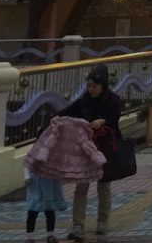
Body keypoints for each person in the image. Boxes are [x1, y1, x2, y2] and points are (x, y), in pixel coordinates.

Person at [60, 65, 122, 242]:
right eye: (89, 86)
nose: (91, 89)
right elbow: (68, 113)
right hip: (86, 149)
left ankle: (102, 222)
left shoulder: (112, 101)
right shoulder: (83, 101)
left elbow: (115, 117)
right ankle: (78, 225)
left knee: (103, 186)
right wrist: (54, 120)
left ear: (103, 85)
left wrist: (103, 121)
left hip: (105, 148)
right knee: (81, 186)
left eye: (94, 86)